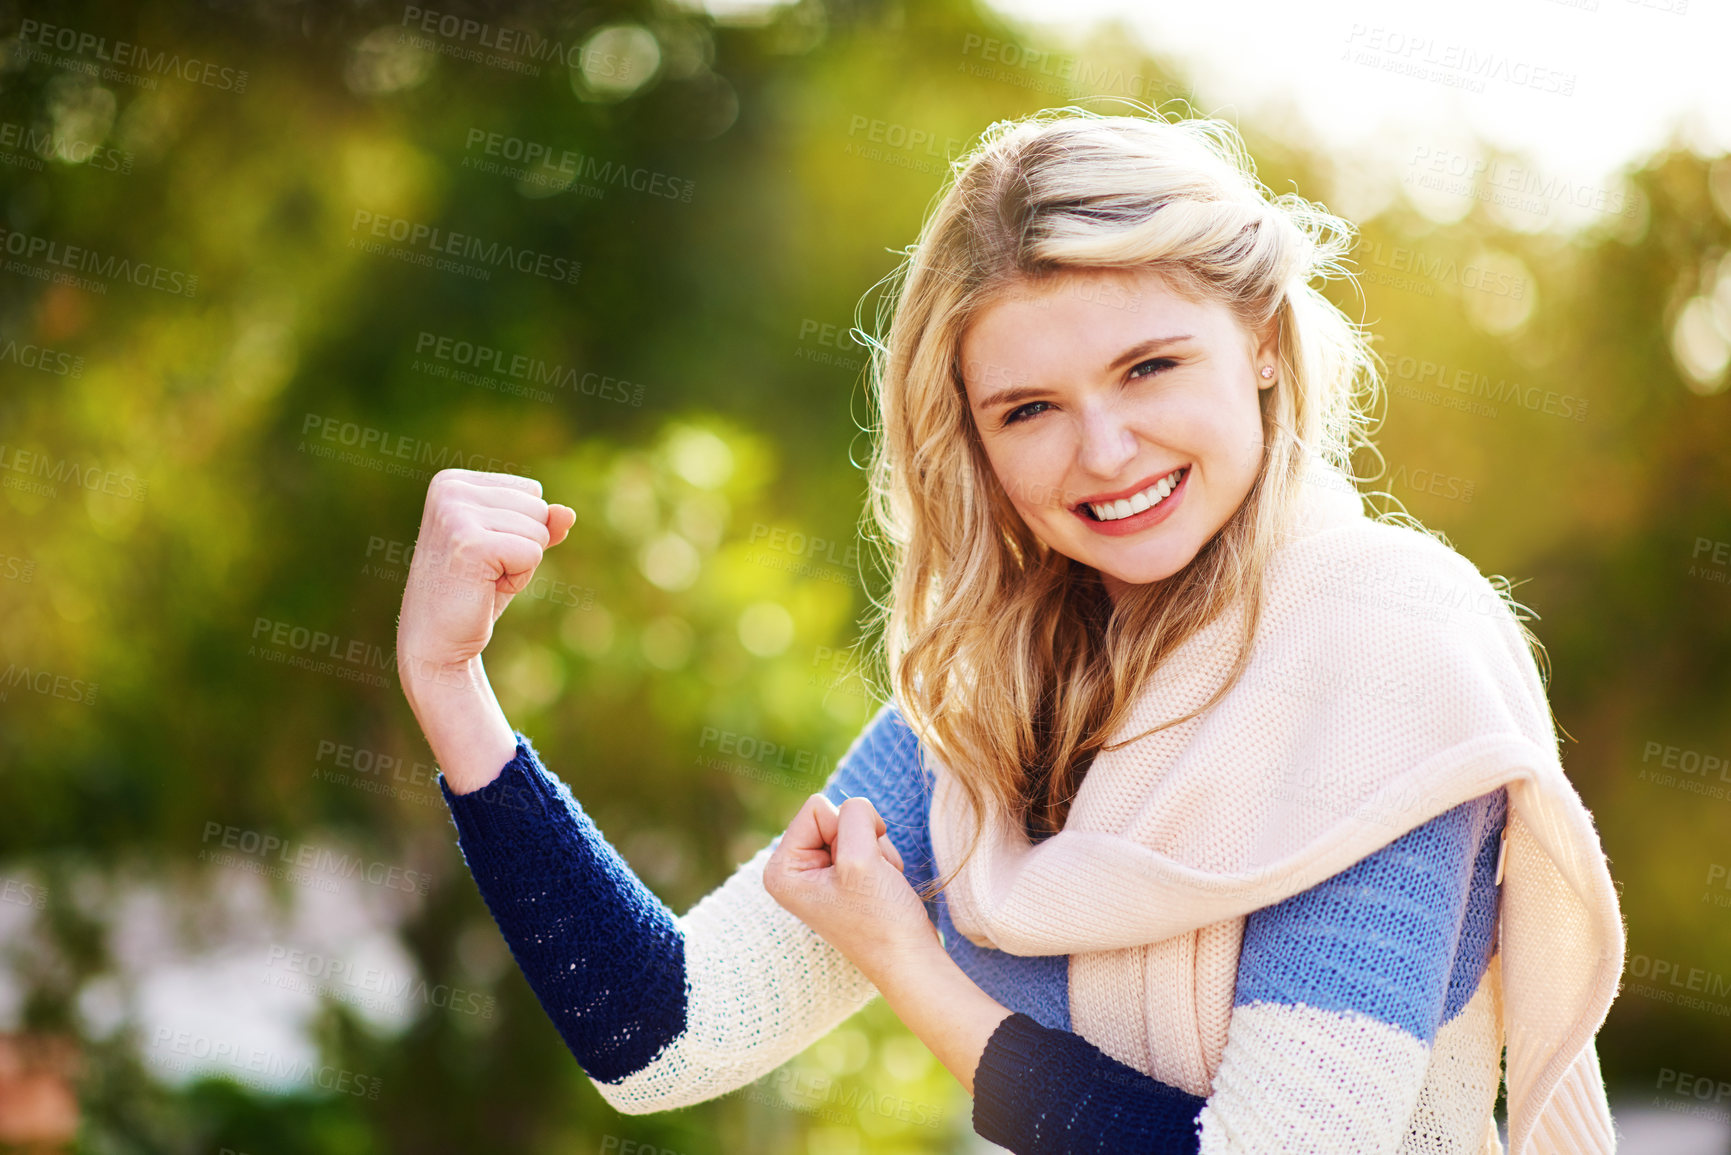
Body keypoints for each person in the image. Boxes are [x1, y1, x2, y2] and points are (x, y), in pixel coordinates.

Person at [394, 109, 1625, 1153]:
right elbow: (656, 1033)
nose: (1104, 453)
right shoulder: (987, 699)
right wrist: (452, 687)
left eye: (1149, 368)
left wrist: (914, 972)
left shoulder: (1388, 658)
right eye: (1030, 407)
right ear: (973, 441)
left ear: (1258, 339)